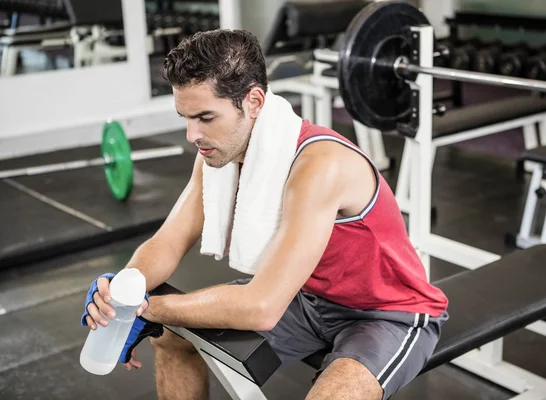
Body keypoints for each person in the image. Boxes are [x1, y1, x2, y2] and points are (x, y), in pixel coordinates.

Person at [81, 29, 448, 400]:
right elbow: (169, 240)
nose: (192, 134)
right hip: (309, 299)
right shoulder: (216, 153)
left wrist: (147, 308)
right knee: (173, 339)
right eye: (186, 118)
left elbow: (261, 307)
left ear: (254, 101)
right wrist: (123, 288)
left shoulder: (320, 166)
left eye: (206, 117)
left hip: (386, 312)